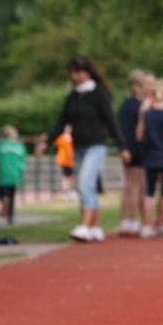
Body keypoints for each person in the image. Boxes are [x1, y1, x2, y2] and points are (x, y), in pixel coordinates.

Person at [44, 56, 129, 242]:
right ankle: (95, 227)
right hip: (79, 146)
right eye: (72, 72)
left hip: (96, 145)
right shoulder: (73, 97)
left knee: (85, 184)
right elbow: (61, 122)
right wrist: (48, 141)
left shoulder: (99, 94)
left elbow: (111, 121)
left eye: (78, 72)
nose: (75, 76)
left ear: (87, 72)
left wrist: (122, 146)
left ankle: (84, 225)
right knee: (87, 187)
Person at [136, 78, 163, 238]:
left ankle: (147, 226)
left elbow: (139, 136)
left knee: (149, 191)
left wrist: (141, 117)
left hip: (151, 156)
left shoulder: (147, 115)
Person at [118, 69, 151, 236]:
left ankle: (126, 221)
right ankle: (134, 222)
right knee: (138, 186)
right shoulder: (142, 106)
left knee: (128, 186)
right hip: (138, 147)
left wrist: (122, 147)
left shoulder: (124, 105)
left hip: (126, 147)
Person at [0, 125, 26, 225]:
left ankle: (4, 201)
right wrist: (21, 171)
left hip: (2, 171)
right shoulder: (19, 145)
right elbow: (23, 159)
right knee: (12, 195)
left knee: (2, 192)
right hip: (15, 173)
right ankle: (10, 217)